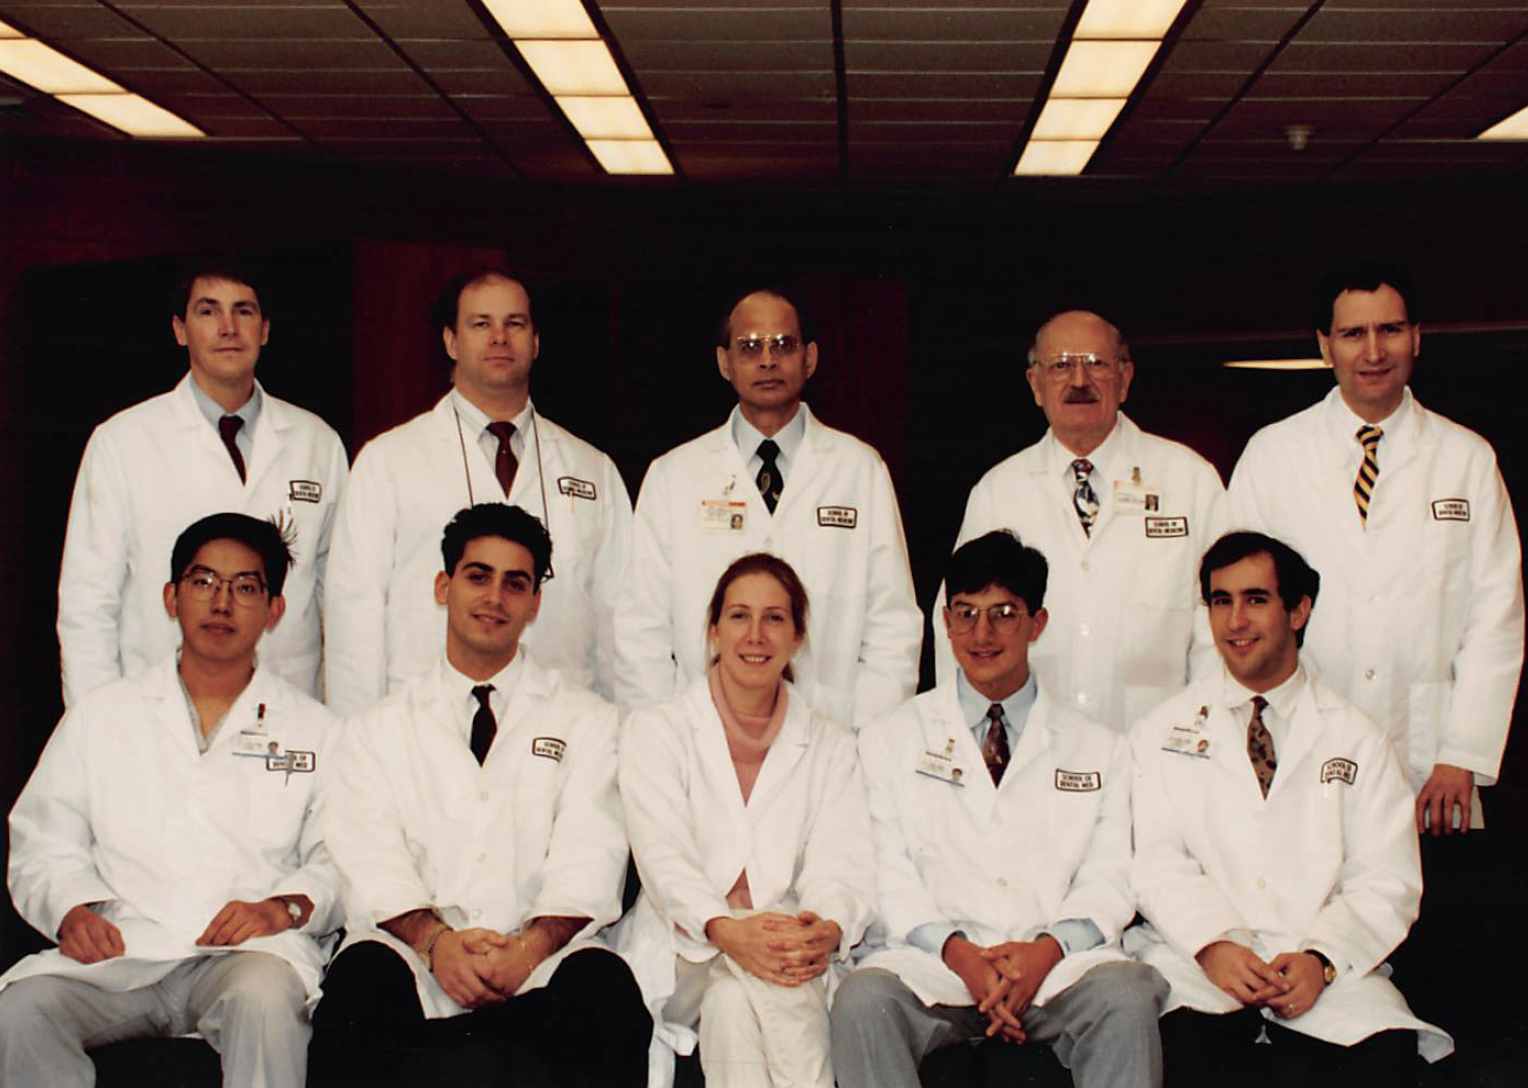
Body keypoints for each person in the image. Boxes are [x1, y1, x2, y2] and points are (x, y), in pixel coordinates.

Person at [1, 513, 343, 1088]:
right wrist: (72, 909)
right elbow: (44, 837)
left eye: (246, 587)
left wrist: (280, 909)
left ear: (275, 610)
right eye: (203, 581)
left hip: (247, 958)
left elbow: (342, 858)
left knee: (264, 998)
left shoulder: (318, 730)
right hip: (122, 954)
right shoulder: (102, 714)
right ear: (171, 596)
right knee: (20, 1011)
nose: (222, 602)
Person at [312, 503, 647, 1088]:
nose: (494, 597)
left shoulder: (589, 722)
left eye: (515, 583)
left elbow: (591, 851)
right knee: (358, 987)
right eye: (477, 576)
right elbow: (370, 856)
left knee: (605, 994)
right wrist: (437, 943)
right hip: (415, 956)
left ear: (535, 604)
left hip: (540, 959)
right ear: (443, 586)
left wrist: (529, 948)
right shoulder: (376, 729)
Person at [833, 530, 1167, 1088]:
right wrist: (960, 955)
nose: (981, 634)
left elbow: (1109, 878)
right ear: (944, 621)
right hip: (935, 965)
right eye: (965, 613)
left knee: (1127, 1001)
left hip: (1056, 970)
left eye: (1004, 613)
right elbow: (885, 872)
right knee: (864, 1003)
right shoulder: (889, 738)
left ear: (1037, 623)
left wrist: (1044, 953)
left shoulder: (1099, 747)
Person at [1128, 531, 1452, 1084]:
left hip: (1325, 979)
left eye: (1256, 599)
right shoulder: (1158, 733)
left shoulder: (1358, 740)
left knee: (1382, 1063)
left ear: (1299, 610)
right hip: (1198, 969)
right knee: (1186, 1055)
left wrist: (1321, 959)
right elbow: (1154, 859)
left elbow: (1385, 880)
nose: (1234, 622)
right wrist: (1213, 944)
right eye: (1220, 601)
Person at [1228, 259, 1523, 834]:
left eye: (1389, 330)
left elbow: (1497, 620)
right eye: (1352, 333)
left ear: (1416, 337)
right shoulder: (1273, 455)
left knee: (1437, 918)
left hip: (1431, 767)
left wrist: (1463, 752)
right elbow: (1230, 613)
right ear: (1324, 346)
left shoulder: (1466, 460)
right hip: (1296, 751)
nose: (1373, 351)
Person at [614, 553, 875, 1088]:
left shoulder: (830, 742)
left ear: (798, 636)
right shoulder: (656, 730)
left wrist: (823, 927)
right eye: (738, 616)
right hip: (684, 946)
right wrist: (727, 929)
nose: (755, 634)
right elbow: (665, 861)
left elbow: (842, 858)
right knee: (780, 992)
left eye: (775, 618)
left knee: (734, 1005)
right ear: (712, 630)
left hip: (787, 949)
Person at [324, 269, 632, 715]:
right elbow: (355, 613)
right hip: (421, 719)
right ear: (451, 342)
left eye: (516, 324)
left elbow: (619, 616)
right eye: (481, 324)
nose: (500, 338)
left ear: (537, 342)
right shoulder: (389, 460)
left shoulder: (593, 470)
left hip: (561, 719)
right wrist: (359, 735)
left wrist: (619, 729)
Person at [615, 287, 921, 727]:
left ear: (810, 358)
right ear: (725, 362)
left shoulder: (859, 469)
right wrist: (665, 733)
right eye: (750, 346)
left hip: (830, 731)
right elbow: (639, 628)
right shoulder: (674, 474)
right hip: (702, 735)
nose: (767, 360)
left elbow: (892, 624)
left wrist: (866, 735)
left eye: (783, 345)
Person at [57, 260, 349, 704]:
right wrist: (97, 727)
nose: (228, 328)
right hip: (156, 708)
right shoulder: (123, 441)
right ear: (180, 329)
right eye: (208, 311)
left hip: (288, 706)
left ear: (265, 330)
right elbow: (87, 604)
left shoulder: (317, 443)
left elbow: (340, 600)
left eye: (244, 311)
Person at [940, 310, 1227, 732]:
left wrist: (1203, 737)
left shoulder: (1190, 481)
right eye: (1060, 366)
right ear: (1035, 385)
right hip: (1033, 750)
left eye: (1095, 363)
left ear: (1125, 378)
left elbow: (1219, 630)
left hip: (1161, 749)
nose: (1078, 381)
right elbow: (960, 630)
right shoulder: (998, 492)